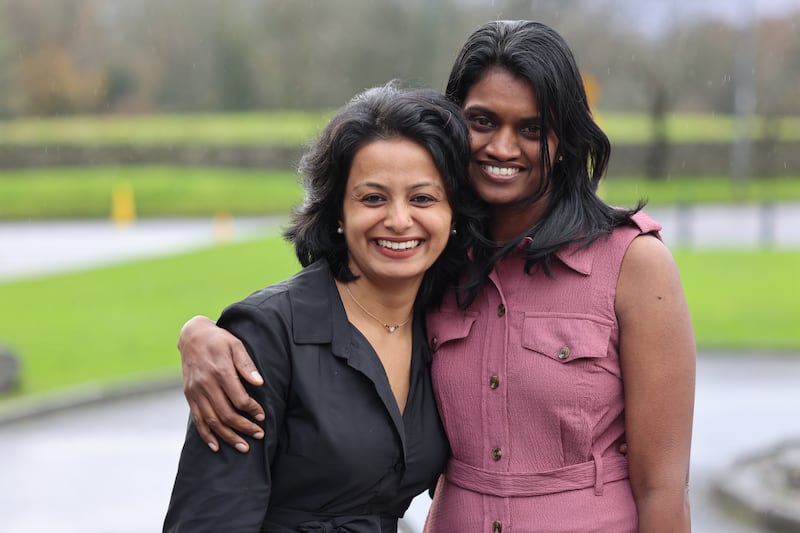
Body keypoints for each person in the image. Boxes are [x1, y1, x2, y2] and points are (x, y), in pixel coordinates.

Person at [176, 20, 696, 533]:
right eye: (482, 121)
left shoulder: (632, 263)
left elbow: (663, 489)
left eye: (532, 129)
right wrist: (202, 334)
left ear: (564, 139)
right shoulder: (439, 261)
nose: (502, 147)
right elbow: (323, 313)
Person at [163, 84, 486, 532]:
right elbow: (210, 520)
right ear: (337, 211)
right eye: (373, 198)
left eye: (422, 198)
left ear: (453, 214)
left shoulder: (446, 323)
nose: (398, 220)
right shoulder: (266, 335)